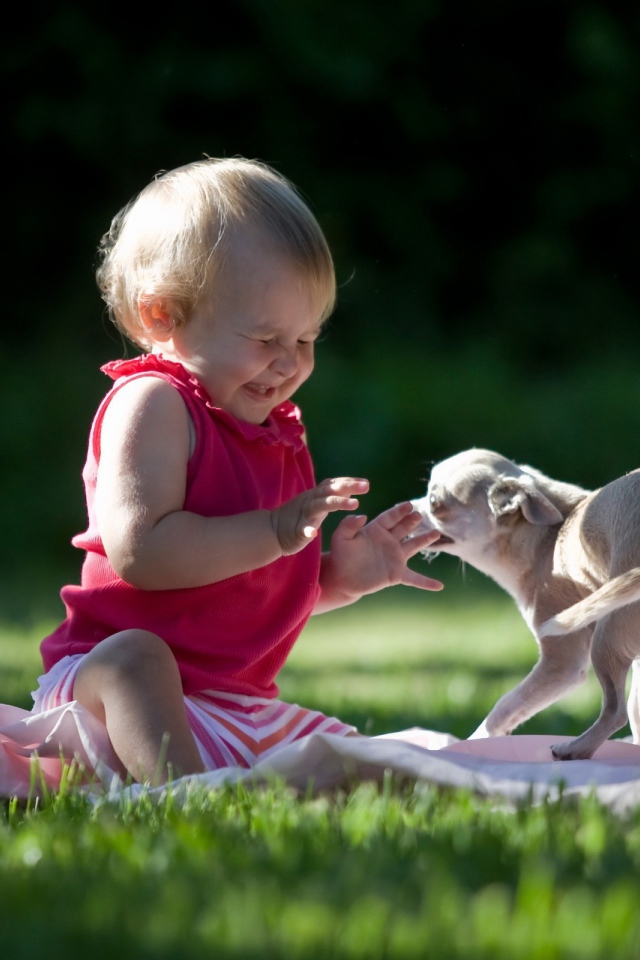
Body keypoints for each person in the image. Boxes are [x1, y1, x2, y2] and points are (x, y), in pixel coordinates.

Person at [35, 157, 443, 785]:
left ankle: (206, 779)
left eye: (306, 340)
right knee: (137, 659)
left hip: (227, 709)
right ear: (161, 316)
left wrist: (338, 579)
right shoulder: (155, 403)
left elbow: (245, 592)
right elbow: (142, 552)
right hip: (108, 700)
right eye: (264, 338)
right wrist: (278, 531)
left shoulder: (273, 430)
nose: (288, 364)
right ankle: (184, 796)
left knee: (374, 770)